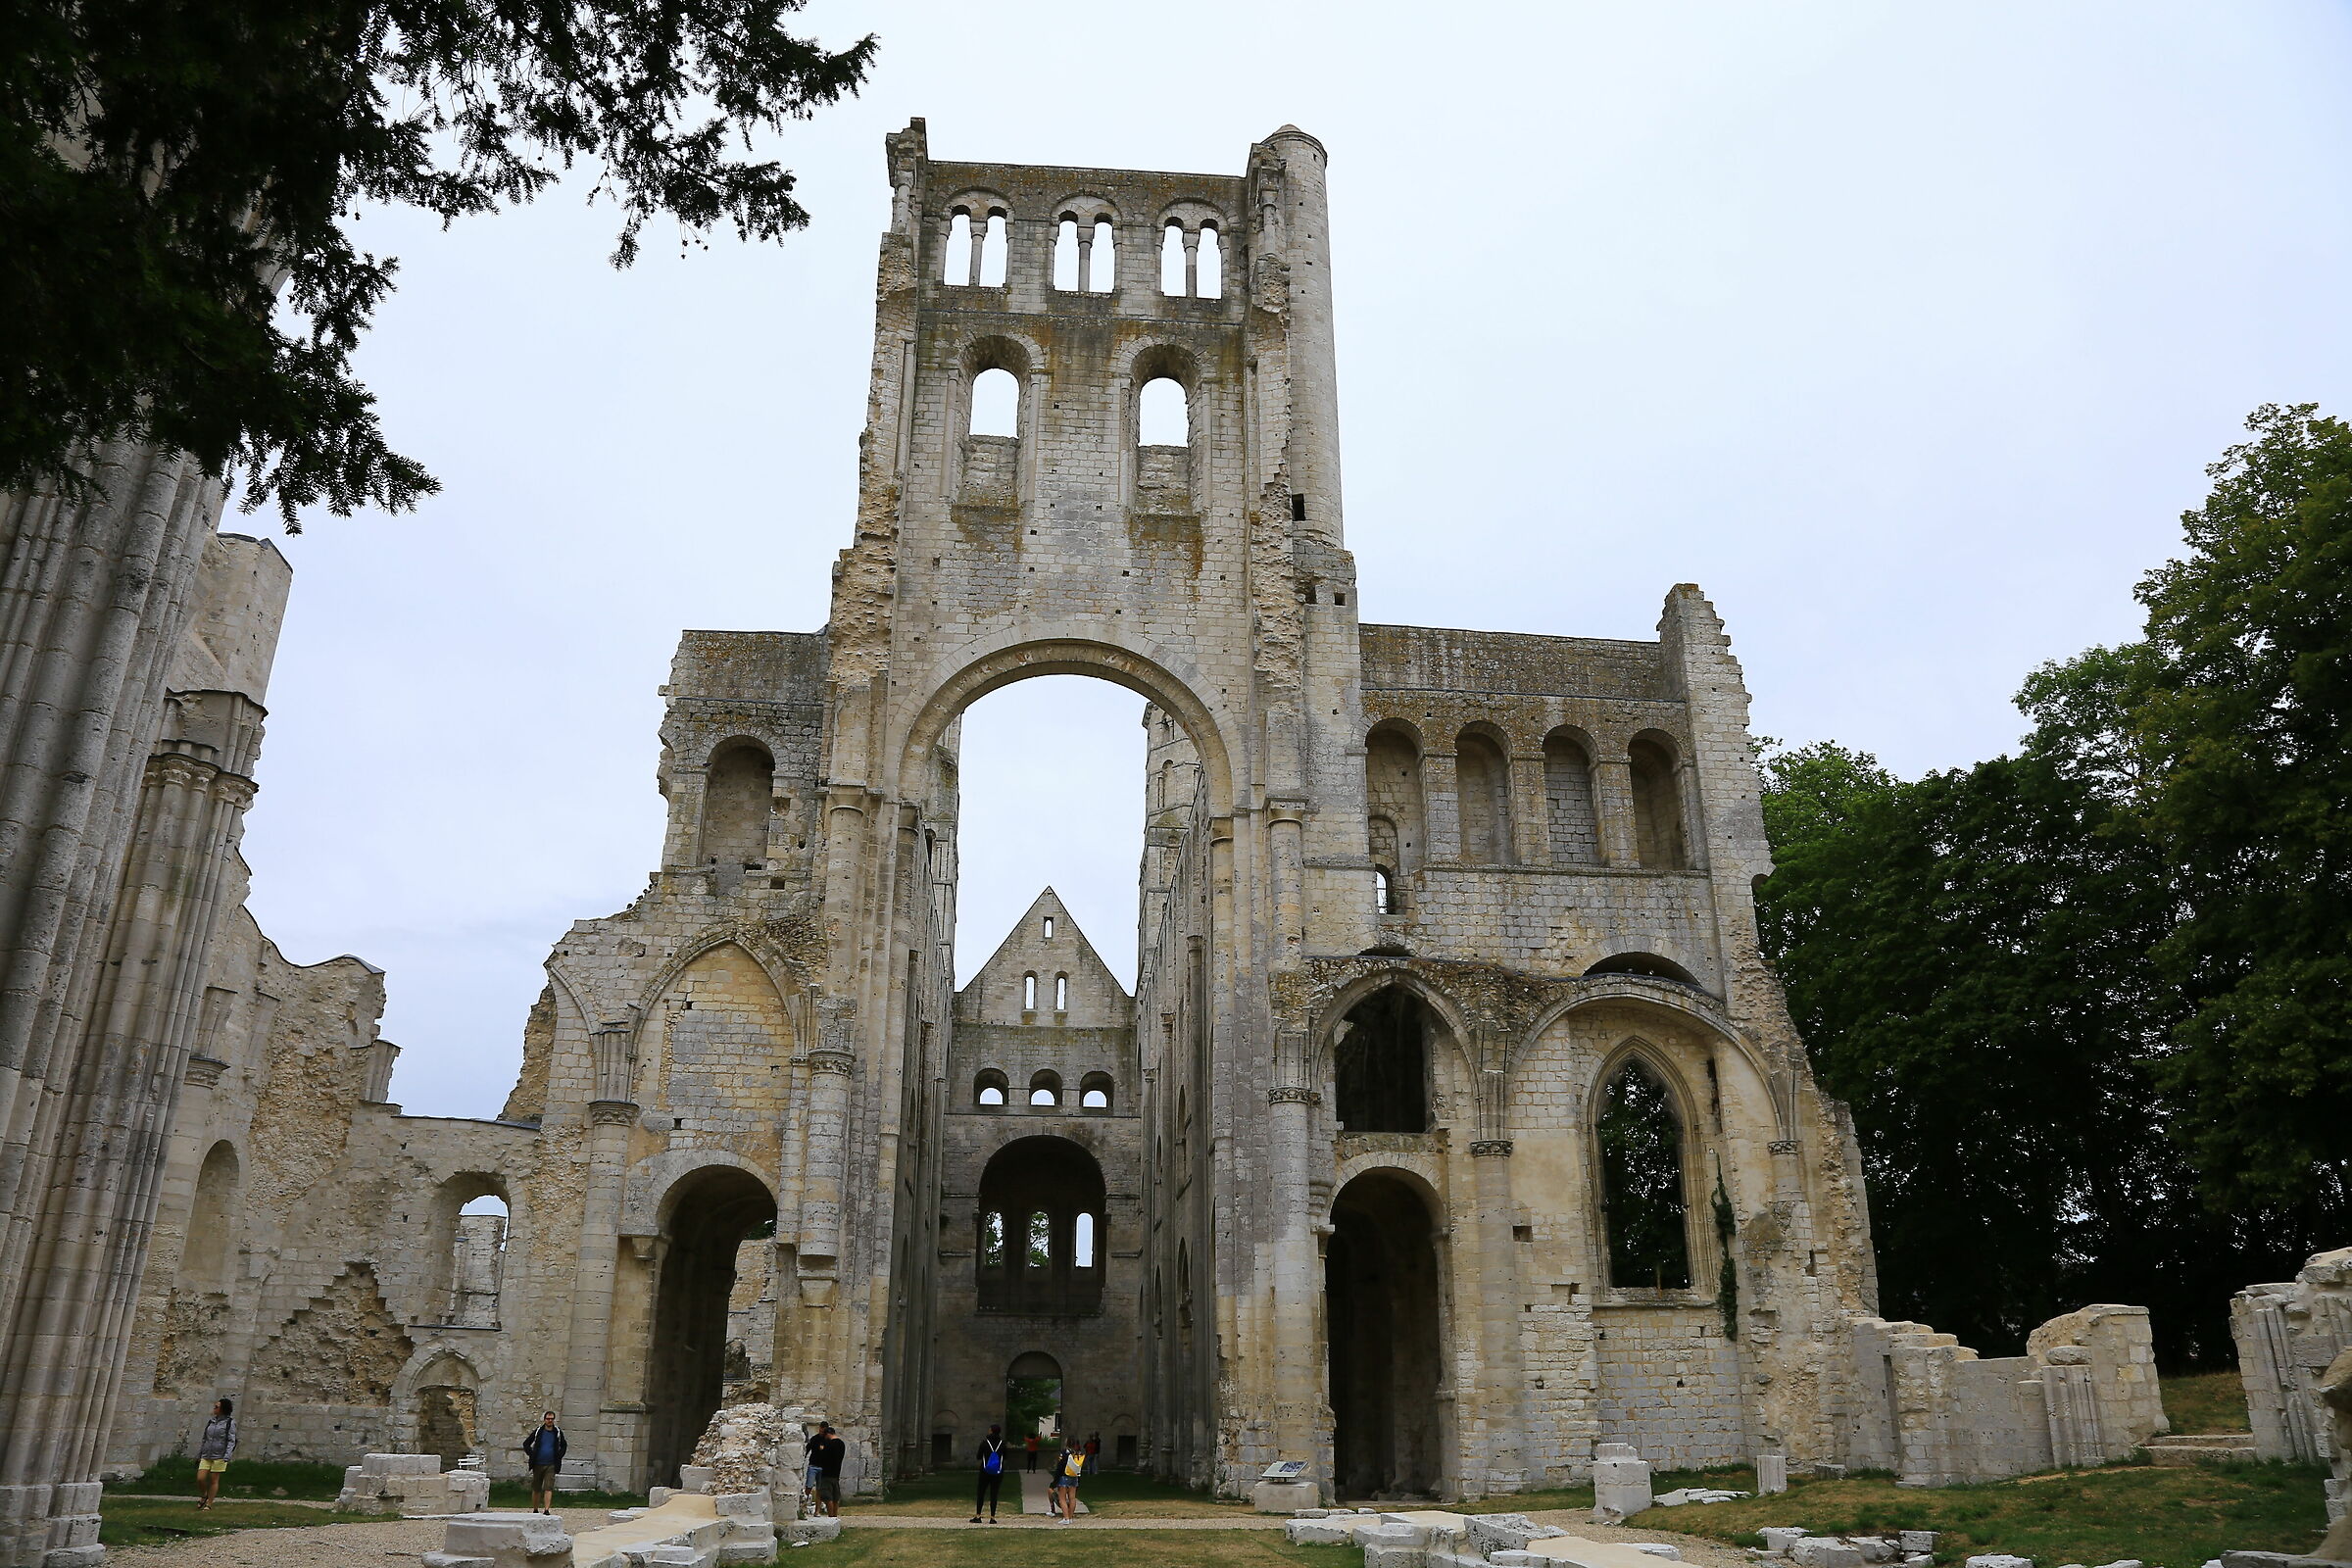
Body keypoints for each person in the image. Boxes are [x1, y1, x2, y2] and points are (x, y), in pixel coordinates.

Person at [518, 1411, 565, 1514]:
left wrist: (559, 1456)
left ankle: (546, 1509)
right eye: (548, 1419)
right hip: (538, 1464)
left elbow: (564, 1446)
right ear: (544, 1420)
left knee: (548, 1487)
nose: (550, 1421)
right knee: (536, 1488)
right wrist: (532, 1454)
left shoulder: (557, 1432)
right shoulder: (538, 1431)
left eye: (552, 1419)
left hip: (551, 1464)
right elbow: (526, 1443)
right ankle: (535, 1509)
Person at [194, 1398, 236, 1510]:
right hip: (206, 1454)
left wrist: (227, 1455)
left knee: (214, 1480)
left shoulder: (229, 1423)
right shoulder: (211, 1421)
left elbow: (231, 1440)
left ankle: (209, 1504)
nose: (214, 1409)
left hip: (220, 1456)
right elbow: (205, 1438)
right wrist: (200, 1453)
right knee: (200, 1478)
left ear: (223, 1409)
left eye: (216, 1407)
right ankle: (204, 1495)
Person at [969, 1424, 1008, 1524]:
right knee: (994, 1493)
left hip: (985, 1471)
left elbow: (978, 1456)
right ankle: (992, 1517)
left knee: (981, 1492)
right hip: (998, 1472)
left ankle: (978, 1516)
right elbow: (1006, 1457)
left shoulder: (984, 1443)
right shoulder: (1002, 1444)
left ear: (991, 1431)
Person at [807, 1422, 846, 1518]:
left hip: (826, 1471)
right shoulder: (841, 1443)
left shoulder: (829, 1443)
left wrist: (823, 1450)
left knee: (826, 1494)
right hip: (830, 1471)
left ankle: (828, 1515)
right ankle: (834, 1516)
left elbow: (825, 1456)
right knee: (834, 1496)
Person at [1051, 1437, 1085, 1521]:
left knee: (1062, 1498)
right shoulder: (1078, 1453)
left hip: (1064, 1476)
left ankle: (1066, 1518)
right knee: (1072, 1498)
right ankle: (1070, 1516)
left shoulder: (1065, 1453)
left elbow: (1060, 1467)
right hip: (1074, 1476)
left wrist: (1056, 1480)